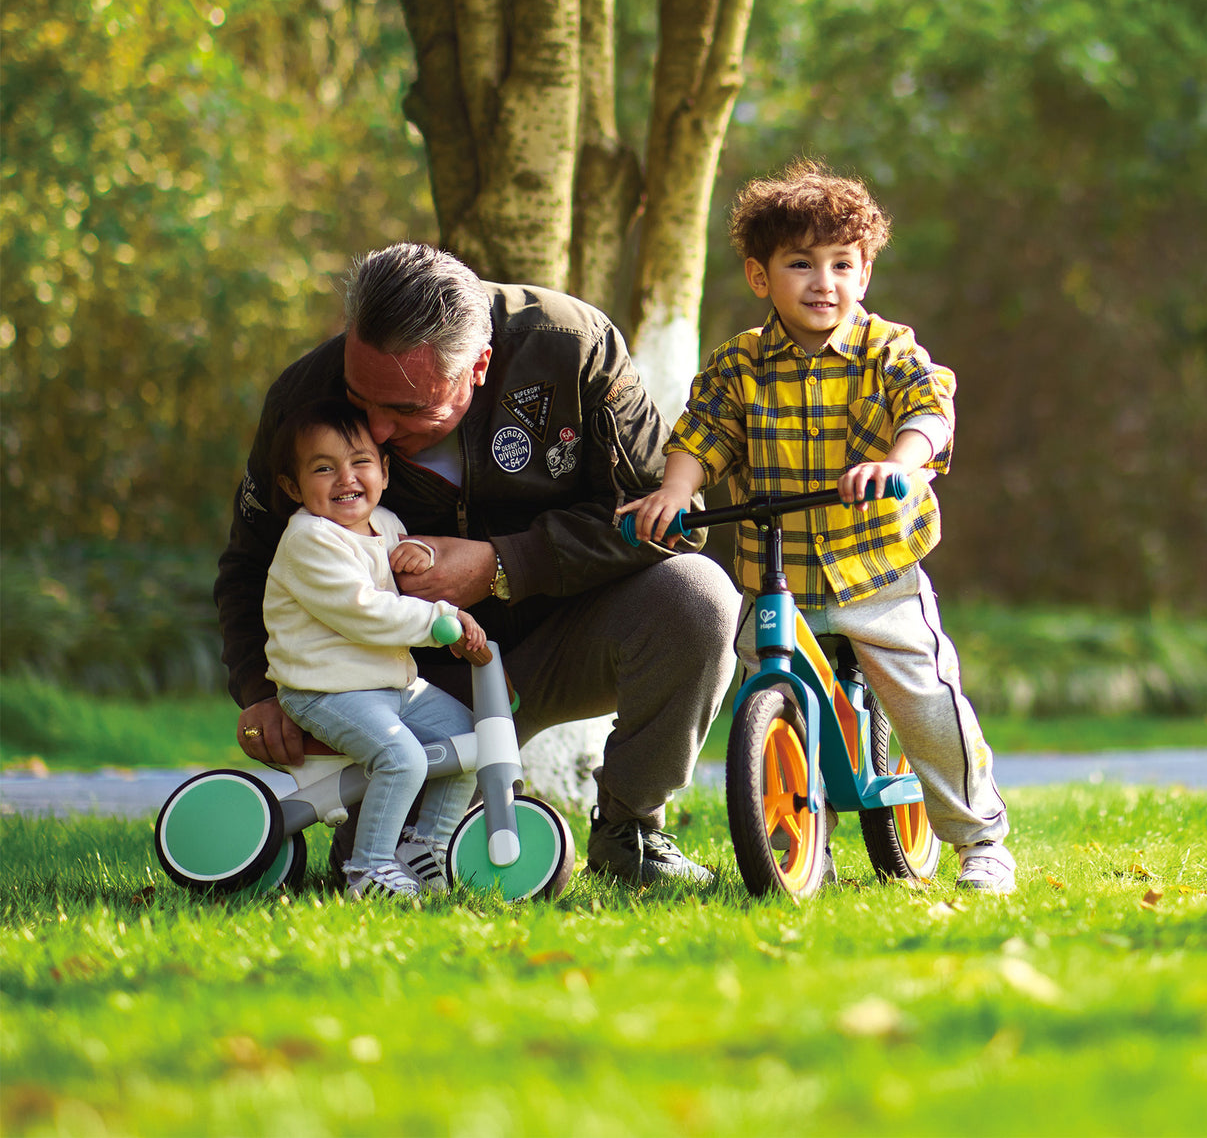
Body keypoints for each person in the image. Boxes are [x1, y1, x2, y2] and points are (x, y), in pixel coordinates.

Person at [216, 243, 740, 887]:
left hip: (570, 635)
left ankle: (631, 829)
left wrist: (505, 562)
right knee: (394, 863)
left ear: (480, 366)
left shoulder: (571, 347)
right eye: (361, 399)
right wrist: (258, 691)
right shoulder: (302, 398)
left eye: (408, 410)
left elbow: (668, 517)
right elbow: (249, 563)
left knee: (699, 595)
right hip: (416, 680)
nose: (375, 432)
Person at [619, 158, 1015, 893]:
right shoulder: (739, 365)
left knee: (926, 699)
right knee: (758, 687)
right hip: (781, 578)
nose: (823, 282)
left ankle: (980, 839)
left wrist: (901, 461)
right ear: (760, 276)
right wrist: (675, 491)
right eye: (800, 264)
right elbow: (702, 435)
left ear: (864, 275)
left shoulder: (886, 349)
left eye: (842, 264)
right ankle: (799, 841)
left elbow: (929, 408)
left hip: (877, 572)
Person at [264, 398, 483, 901]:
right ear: (293, 487)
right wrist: (439, 621)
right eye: (324, 468)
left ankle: (426, 847)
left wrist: (420, 553)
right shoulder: (309, 541)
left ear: (383, 470)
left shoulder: (383, 523)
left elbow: (396, 565)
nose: (346, 478)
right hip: (324, 689)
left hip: (389, 684)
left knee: (469, 737)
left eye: (360, 462)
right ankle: (369, 870)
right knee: (402, 758)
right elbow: (365, 611)